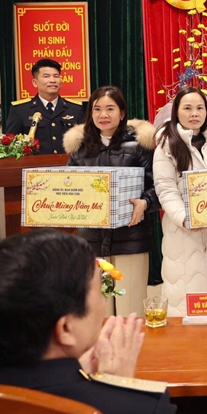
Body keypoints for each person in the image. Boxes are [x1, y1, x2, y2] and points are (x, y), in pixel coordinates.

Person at [0, 230, 180, 414]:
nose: (103, 304)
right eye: (99, 292)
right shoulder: (140, 411)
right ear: (65, 329)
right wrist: (118, 393)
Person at [63, 86, 159, 317]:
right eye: (97, 109)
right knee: (98, 312)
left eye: (110, 109)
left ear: (122, 112)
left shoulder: (140, 146)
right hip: (91, 241)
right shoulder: (79, 149)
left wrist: (145, 202)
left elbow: (159, 186)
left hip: (131, 239)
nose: (103, 115)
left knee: (130, 311)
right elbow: (69, 188)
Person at [153, 87, 207, 317]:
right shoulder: (166, 146)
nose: (194, 113)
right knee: (186, 301)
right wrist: (186, 218)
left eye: (200, 108)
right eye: (187, 108)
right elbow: (166, 190)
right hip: (184, 234)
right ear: (176, 112)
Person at [4, 58, 85, 154]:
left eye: (56, 76)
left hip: (68, 162)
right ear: (35, 82)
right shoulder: (20, 110)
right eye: (46, 76)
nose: (52, 80)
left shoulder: (75, 109)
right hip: (34, 163)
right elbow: (10, 146)